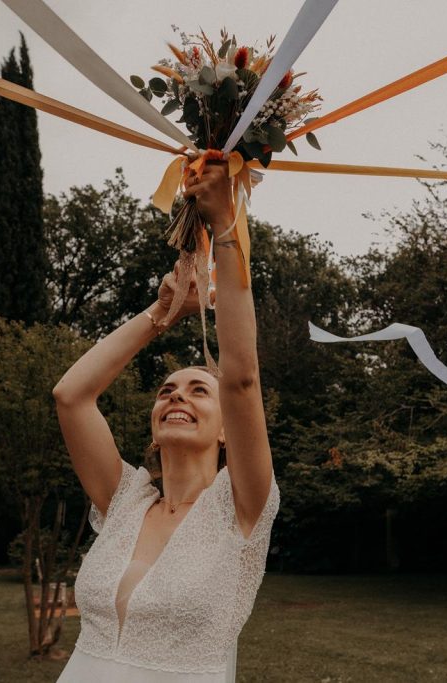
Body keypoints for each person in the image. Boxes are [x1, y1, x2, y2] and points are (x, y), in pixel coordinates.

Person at [52, 162, 278, 682]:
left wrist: (225, 227)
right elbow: (71, 397)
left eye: (200, 390)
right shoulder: (124, 499)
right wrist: (163, 313)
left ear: (227, 430)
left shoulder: (242, 506)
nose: (177, 396)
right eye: (166, 391)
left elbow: (242, 378)